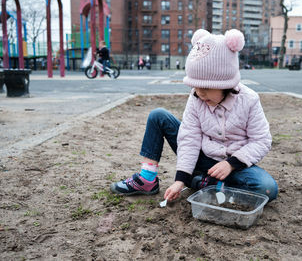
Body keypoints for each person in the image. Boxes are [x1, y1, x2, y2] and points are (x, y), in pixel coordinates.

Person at [110, 29, 278, 203]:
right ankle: (147, 179)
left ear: (225, 84)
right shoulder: (196, 96)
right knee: (158, 115)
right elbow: (189, 137)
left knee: (266, 188)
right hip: (202, 157)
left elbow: (261, 140)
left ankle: (207, 183)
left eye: (204, 89)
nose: (199, 93)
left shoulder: (249, 100)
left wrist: (231, 164)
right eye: (195, 87)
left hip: (235, 165)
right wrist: (180, 180)